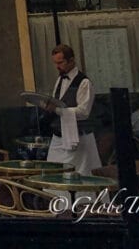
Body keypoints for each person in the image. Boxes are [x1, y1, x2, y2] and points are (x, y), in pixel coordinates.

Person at [43, 43, 101, 175]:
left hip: (79, 137)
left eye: (61, 62)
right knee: (54, 173)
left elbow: (84, 112)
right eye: (55, 63)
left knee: (80, 174)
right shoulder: (59, 79)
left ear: (71, 60)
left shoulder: (84, 82)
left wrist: (57, 110)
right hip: (59, 134)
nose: (57, 66)